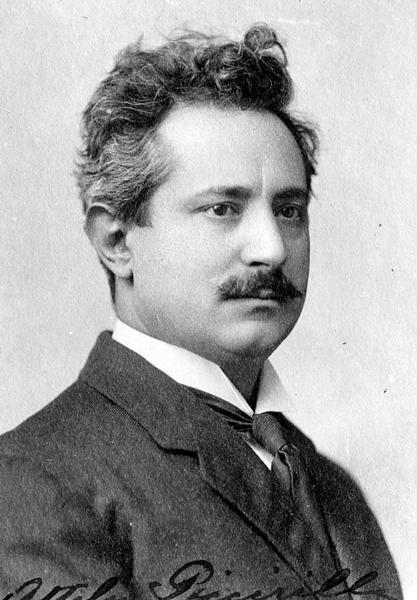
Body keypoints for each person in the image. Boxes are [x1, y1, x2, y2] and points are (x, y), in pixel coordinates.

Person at [0, 24, 402, 599]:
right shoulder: (31, 482)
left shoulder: (332, 488)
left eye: (290, 210)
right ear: (116, 240)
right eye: (222, 208)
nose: (272, 248)